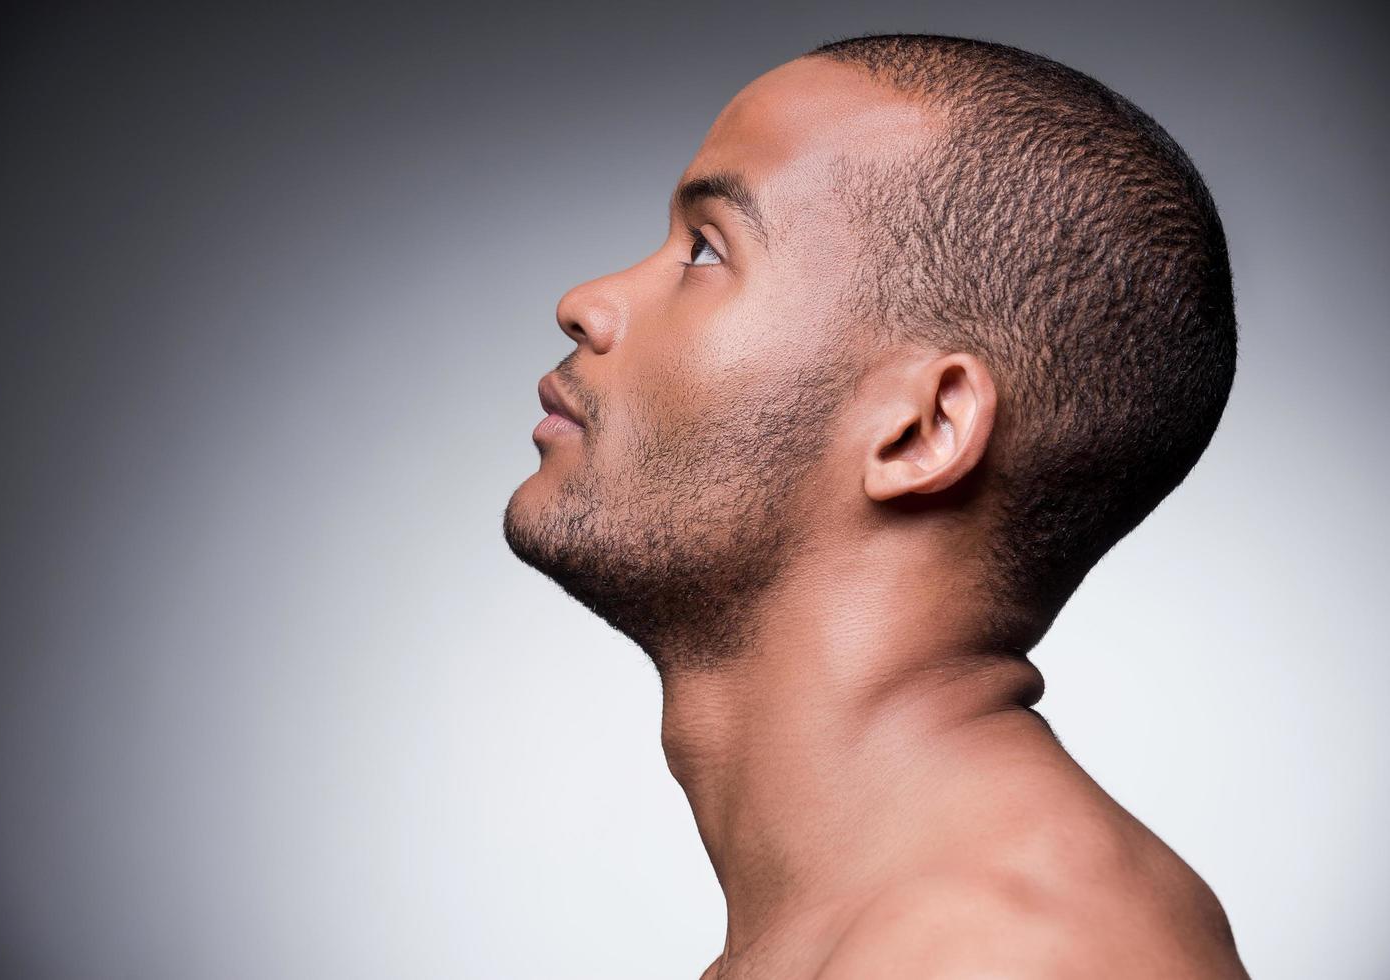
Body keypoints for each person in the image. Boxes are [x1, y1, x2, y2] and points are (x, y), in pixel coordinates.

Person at [503, 32, 1249, 979]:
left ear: (919, 432)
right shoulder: (871, 936)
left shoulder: (1018, 953)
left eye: (704, 248)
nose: (586, 302)